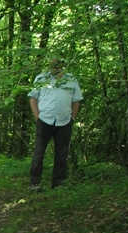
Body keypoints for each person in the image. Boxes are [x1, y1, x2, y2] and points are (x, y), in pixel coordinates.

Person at [28, 57, 83, 190]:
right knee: (39, 151)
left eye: (59, 64)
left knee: (62, 153)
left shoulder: (71, 79)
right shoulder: (41, 78)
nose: (56, 66)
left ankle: (58, 183)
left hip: (64, 121)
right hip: (45, 119)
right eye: (53, 63)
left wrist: (72, 119)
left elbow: (76, 101)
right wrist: (38, 117)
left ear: (63, 65)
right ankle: (34, 182)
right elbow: (33, 98)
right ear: (49, 64)